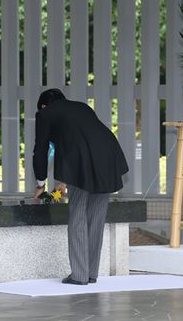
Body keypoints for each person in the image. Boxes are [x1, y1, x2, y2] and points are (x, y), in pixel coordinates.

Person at [33, 88, 129, 285]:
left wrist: (40, 183)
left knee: (77, 214)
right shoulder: (81, 107)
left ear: (44, 105)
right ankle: (91, 273)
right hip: (108, 155)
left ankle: (79, 275)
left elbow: (41, 149)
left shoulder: (45, 113)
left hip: (82, 160)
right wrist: (65, 177)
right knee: (96, 216)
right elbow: (80, 140)